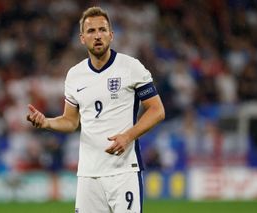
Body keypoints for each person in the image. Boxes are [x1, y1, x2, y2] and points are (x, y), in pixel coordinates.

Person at [27, 6, 165, 213]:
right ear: (82, 38)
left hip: (124, 172)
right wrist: (46, 122)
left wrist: (127, 136)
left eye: (102, 30)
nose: (97, 35)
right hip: (88, 174)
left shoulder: (131, 67)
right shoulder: (75, 75)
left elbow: (157, 110)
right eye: (91, 31)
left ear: (111, 34)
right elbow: (71, 121)